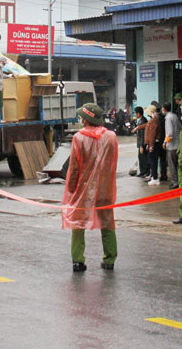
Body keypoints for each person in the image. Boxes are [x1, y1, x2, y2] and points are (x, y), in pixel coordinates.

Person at [61, 103, 118, 272]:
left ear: (86, 119)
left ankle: (78, 261)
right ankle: (110, 259)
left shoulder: (78, 138)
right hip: (105, 188)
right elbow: (112, 164)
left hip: (83, 188)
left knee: (78, 224)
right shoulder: (111, 137)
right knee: (107, 223)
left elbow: (74, 167)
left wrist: (71, 189)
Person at [163, 102, 181, 189]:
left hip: (171, 146)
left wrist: (165, 142)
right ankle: (178, 181)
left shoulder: (168, 118)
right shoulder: (175, 116)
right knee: (177, 165)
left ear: (163, 109)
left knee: (172, 165)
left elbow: (170, 133)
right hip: (178, 144)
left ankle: (175, 182)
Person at [132, 106, 149, 179]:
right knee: (141, 157)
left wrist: (142, 146)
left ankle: (145, 172)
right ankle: (143, 172)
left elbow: (143, 135)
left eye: (135, 113)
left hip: (142, 144)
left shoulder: (143, 121)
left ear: (138, 113)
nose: (135, 114)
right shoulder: (141, 120)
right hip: (141, 144)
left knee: (143, 158)